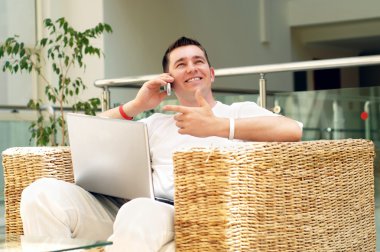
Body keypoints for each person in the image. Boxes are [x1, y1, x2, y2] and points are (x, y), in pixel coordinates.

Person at [20, 36, 302, 251]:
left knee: (138, 211)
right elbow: (85, 134)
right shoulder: (156, 122)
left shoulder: (238, 112)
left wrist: (218, 126)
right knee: (40, 193)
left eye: (198, 61)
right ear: (170, 82)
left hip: (183, 213)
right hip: (129, 206)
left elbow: (292, 130)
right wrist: (137, 104)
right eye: (181, 64)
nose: (192, 68)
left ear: (211, 73)